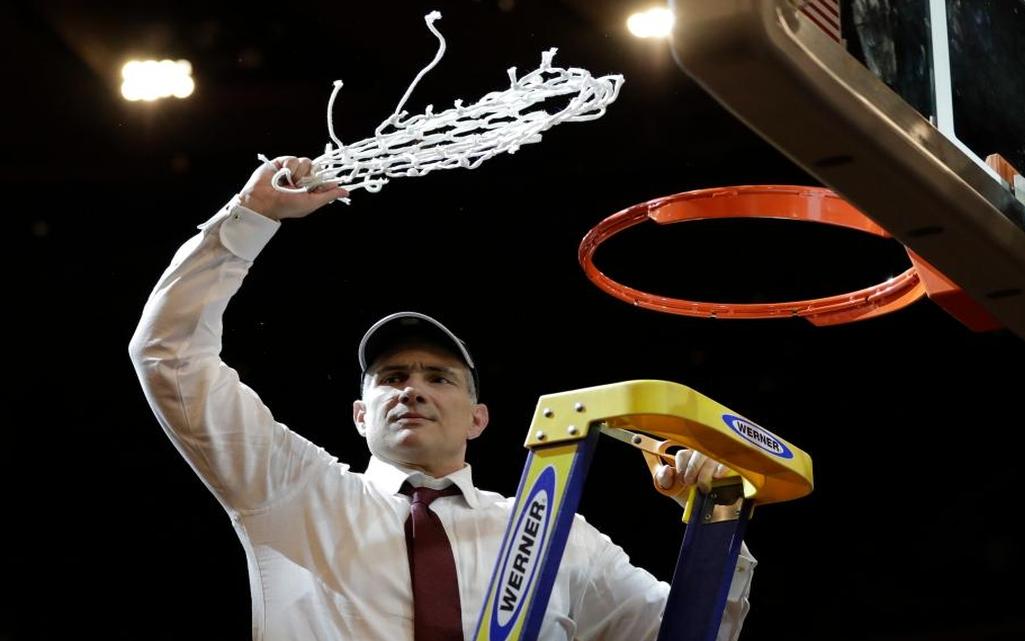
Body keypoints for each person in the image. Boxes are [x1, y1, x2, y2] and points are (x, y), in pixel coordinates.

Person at [129, 156, 757, 641]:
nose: (413, 389)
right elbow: (169, 356)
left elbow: (689, 632)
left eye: (439, 378)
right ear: (360, 414)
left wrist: (718, 518)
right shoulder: (295, 491)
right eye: (392, 377)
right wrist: (247, 219)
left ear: (479, 418)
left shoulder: (556, 538)